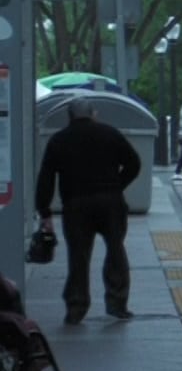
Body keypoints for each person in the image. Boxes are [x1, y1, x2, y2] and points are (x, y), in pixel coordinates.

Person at [34, 103, 143, 324]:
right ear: (94, 113)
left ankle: (76, 306)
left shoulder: (59, 140)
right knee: (115, 250)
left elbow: (46, 178)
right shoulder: (109, 133)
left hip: (76, 205)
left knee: (78, 257)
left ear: (70, 116)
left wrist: (44, 211)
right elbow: (134, 163)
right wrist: (117, 186)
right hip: (110, 202)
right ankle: (117, 303)